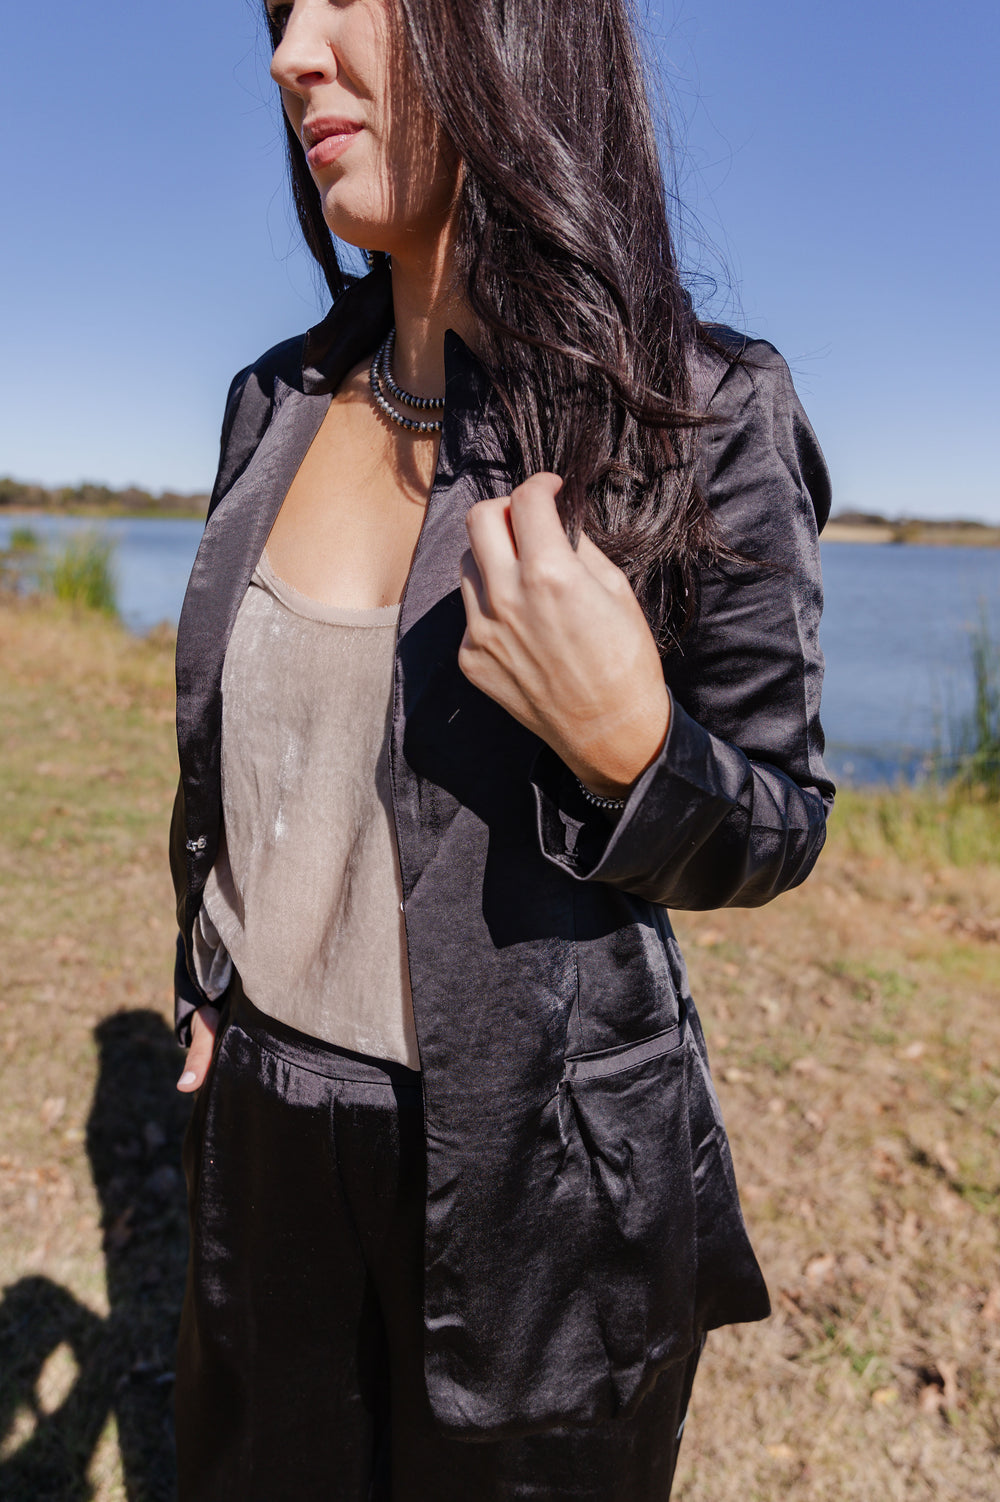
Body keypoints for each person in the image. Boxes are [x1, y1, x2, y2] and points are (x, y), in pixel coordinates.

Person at [168, 0, 834, 1497]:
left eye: (351, 2)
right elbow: (222, 759)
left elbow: (783, 818)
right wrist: (204, 980)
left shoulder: (698, 409)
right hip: (265, 1148)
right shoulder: (271, 402)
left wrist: (636, 746)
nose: (287, 52)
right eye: (280, 10)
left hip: (542, 1179)